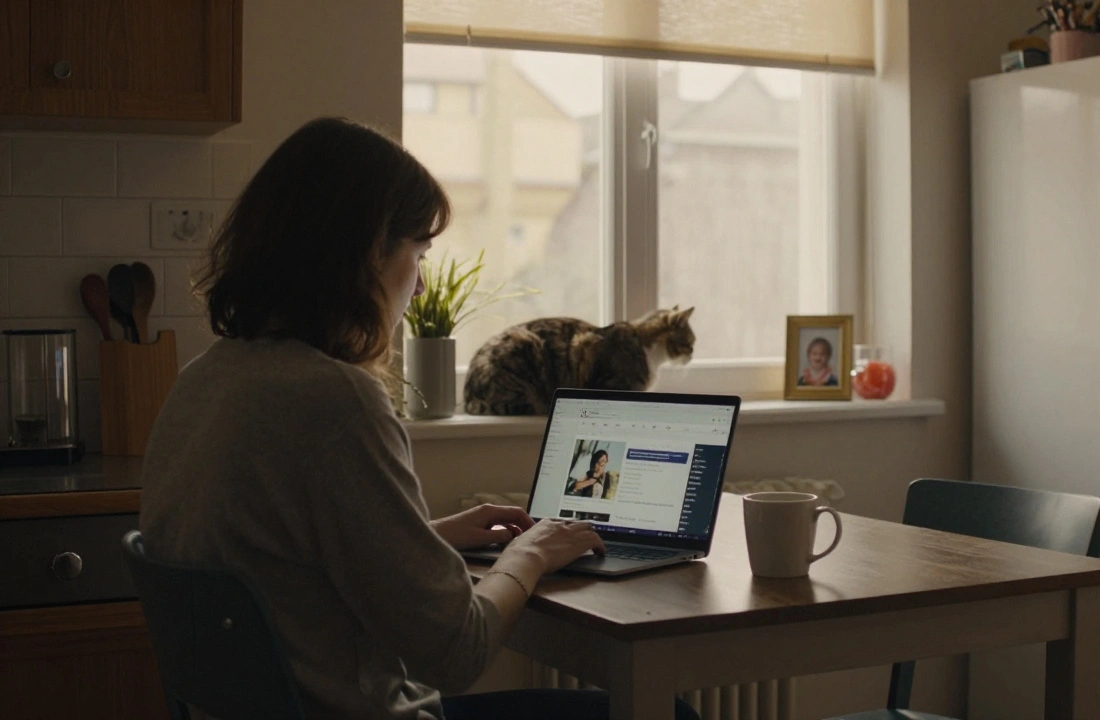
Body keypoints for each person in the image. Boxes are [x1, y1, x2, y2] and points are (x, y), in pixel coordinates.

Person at [139, 118, 698, 720]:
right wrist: (531, 553)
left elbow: (284, 566)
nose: (423, 279)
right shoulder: (334, 401)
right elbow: (457, 653)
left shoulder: (204, 380)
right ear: (366, 252)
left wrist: (428, 536)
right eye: (418, 252)